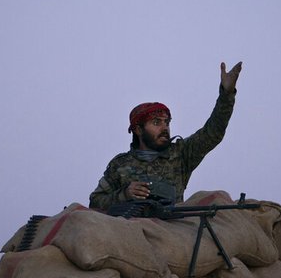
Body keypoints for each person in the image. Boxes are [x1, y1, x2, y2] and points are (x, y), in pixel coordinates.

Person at [88, 61, 242, 210]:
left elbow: (212, 133)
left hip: (171, 232)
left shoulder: (180, 154)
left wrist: (226, 94)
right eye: (156, 123)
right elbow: (95, 202)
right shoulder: (120, 164)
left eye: (167, 122)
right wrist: (124, 195)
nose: (165, 128)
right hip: (131, 233)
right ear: (138, 129)